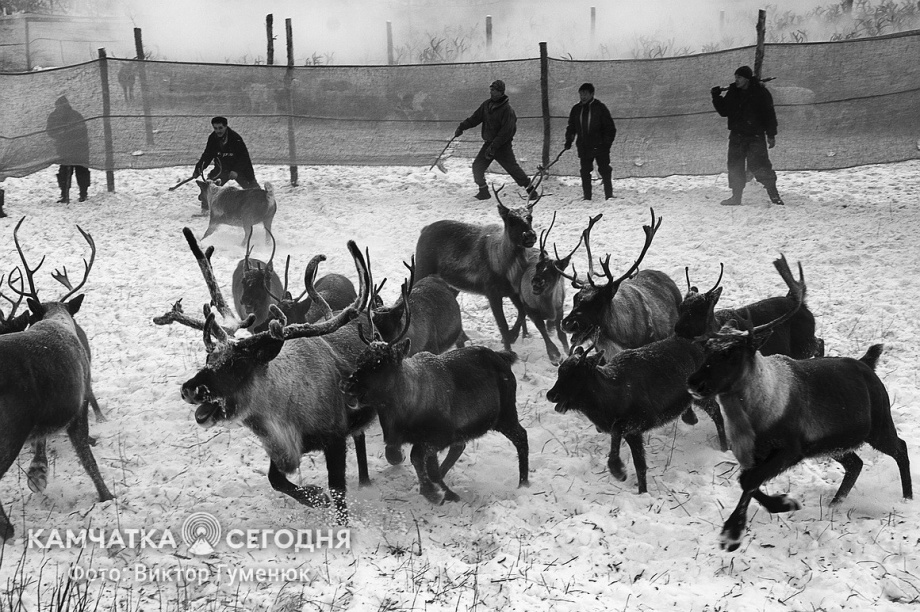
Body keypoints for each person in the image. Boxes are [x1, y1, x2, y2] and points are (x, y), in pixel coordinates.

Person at [711, 65, 784, 206]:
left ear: (747, 79)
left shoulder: (761, 93)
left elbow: (769, 115)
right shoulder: (733, 93)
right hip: (737, 136)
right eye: (735, 77)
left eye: (739, 77)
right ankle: (736, 197)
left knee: (760, 165)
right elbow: (724, 111)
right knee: (735, 166)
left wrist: (771, 134)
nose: (736, 80)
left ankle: (774, 196)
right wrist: (716, 96)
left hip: (755, 136)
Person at [454, 80, 537, 201]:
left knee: (513, 169)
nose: (491, 92)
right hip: (489, 144)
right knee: (477, 166)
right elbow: (475, 118)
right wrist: (462, 127)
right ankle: (484, 191)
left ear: (500, 92)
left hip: (502, 147)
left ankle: (531, 191)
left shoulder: (507, 110)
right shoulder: (486, 105)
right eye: (491, 90)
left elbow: (506, 132)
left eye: (494, 90)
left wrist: (494, 146)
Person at [564, 83, 617, 201]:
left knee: (604, 169)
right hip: (584, 146)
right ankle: (587, 197)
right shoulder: (576, 109)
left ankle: (609, 195)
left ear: (592, 94)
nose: (583, 97)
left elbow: (610, 128)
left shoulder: (600, 108)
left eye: (586, 94)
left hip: (600, 146)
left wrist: (606, 143)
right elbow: (571, 126)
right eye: (581, 94)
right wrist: (569, 139)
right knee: (585, 171)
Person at [193, 116, 258, 191]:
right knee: (208, 191)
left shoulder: (236, 139)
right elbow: (207, 156)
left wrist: (235, 170)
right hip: (222, 170)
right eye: (215, 128)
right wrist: (197, 170)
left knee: (255, 193)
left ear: (226, 126)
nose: (218, 131)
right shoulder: (212, 138)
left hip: (241, 170)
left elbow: (244, 157)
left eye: (220, 128)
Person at [46, 95, 91, 203]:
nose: (61, 108)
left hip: (79, 148)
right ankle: (64, 195)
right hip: (64, 149)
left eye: (62, 105)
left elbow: (82, 130)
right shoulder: (54, 116)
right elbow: (50, 131)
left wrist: (69, 134)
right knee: (64, 172)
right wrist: (61, 134)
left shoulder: (75, 115)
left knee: (82, 171)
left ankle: (83, 194)